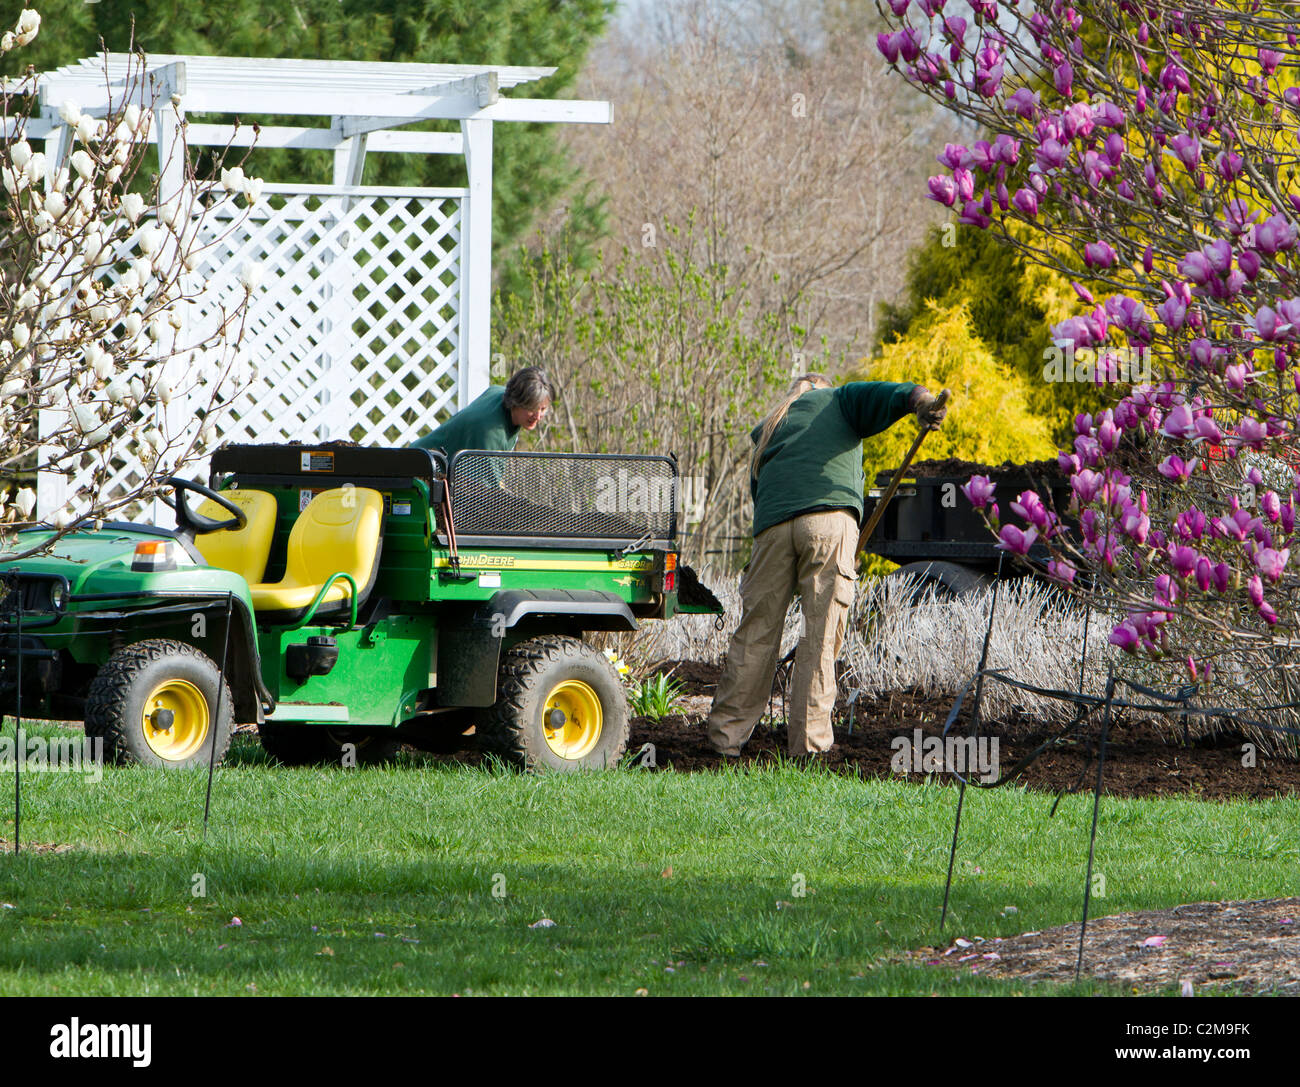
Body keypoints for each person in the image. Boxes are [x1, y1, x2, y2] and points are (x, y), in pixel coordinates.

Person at [706, 374, 947, 761]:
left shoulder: (770, 427)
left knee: (756, 634)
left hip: (772, 528)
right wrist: (925, 404)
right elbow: (891, 394)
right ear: (820, 385)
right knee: (820, 637)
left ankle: (724, 739)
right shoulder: (839, 399)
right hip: (828, 520)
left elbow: (759, 493)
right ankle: (808, 748)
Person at [411, 366, 554, 464]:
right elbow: (485, 495)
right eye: (532, 408)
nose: (538, 416)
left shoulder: (499, 393)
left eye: (542, 409)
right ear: (516, 401)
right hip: (418, 470)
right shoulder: (491, 433)